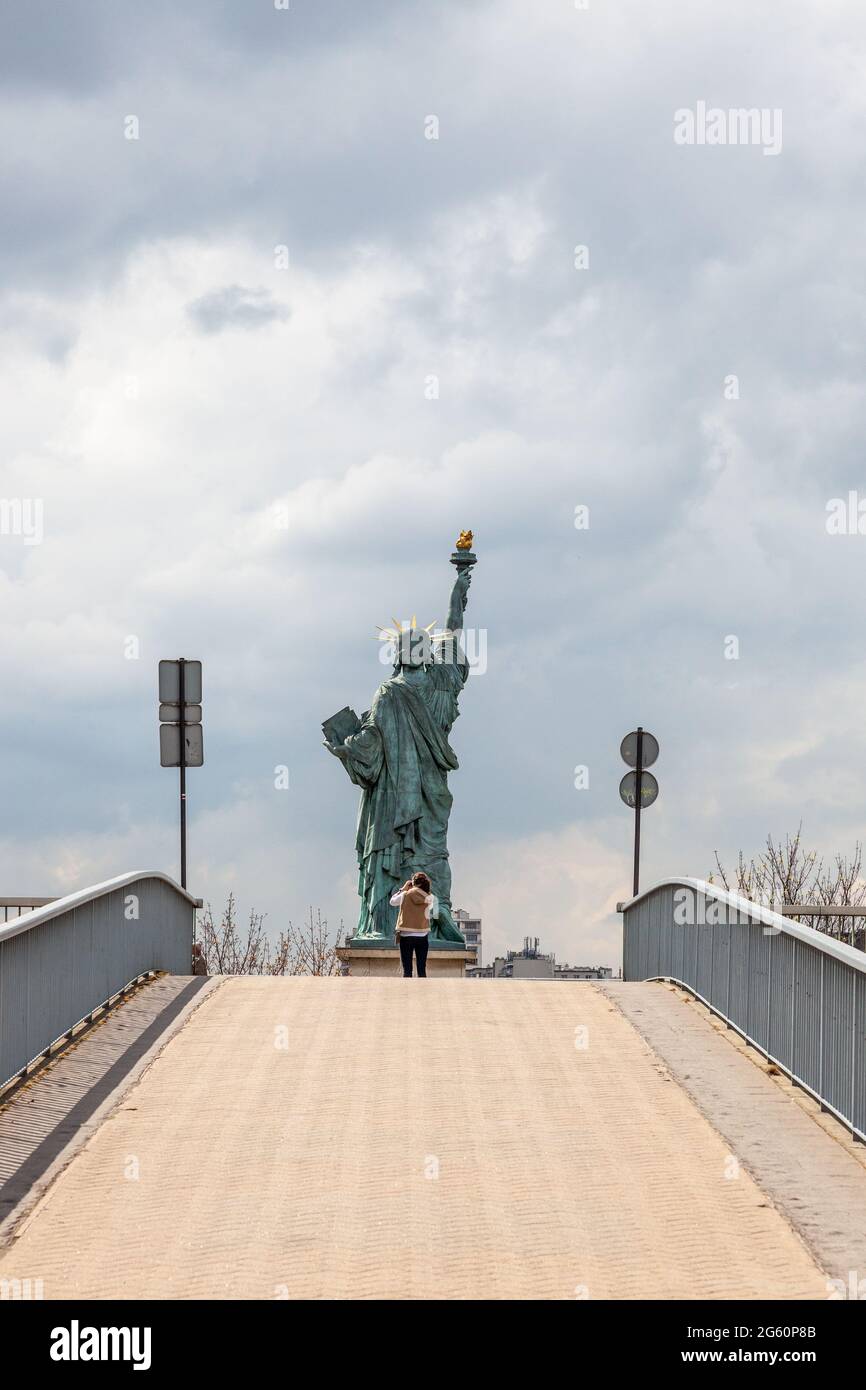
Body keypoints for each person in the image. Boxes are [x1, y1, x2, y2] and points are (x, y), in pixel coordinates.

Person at [390, 871, 438, 977]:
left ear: (413, 882)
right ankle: (422, 992)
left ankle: (407, 992)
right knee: (422, 970)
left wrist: (403, 888)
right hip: (422, 935)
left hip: (406, 936)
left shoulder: (405, 894)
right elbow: (434, 913)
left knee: (407, 971)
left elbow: (392, 902)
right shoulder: (430, 897)